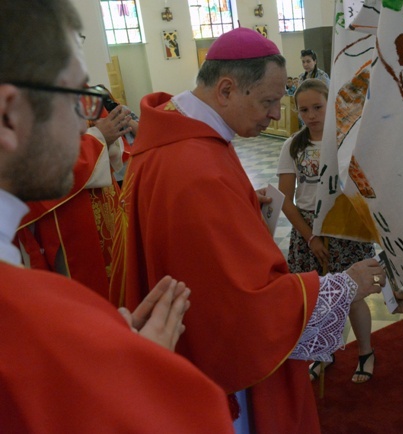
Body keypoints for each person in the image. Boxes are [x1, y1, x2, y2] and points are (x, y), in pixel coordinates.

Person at [110, 27, 385, 433]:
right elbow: (245, 309)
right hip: (216, 364)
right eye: (269, 101)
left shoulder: (174, 138)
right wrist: (345, 286)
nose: (277, 114)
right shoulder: (195, 168)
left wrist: (239, 206)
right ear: (226, 90)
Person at [0, 1, 234, 431]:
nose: (85, 123)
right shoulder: (23, 319)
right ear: (9, 116)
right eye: (78, 97)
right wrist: (138, 376)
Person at [277, 79, 376, 383]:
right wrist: (310, 235)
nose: (311, 115)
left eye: (317, 107)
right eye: (304, 109)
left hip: (343, 226)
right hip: (308, 230)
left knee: (353, 295)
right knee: (317, 296)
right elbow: (285, 199)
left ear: (330, 103)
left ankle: (366, 352)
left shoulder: (347, 141)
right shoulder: (293, 145)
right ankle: (323, 352)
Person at [15, 84, 134, 299]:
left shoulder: (78, 87)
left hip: (105, 205)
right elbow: (33, 169)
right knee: (87, 299)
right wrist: (98, 139)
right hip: (66, 220)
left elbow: (111, 140)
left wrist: (111, 132)